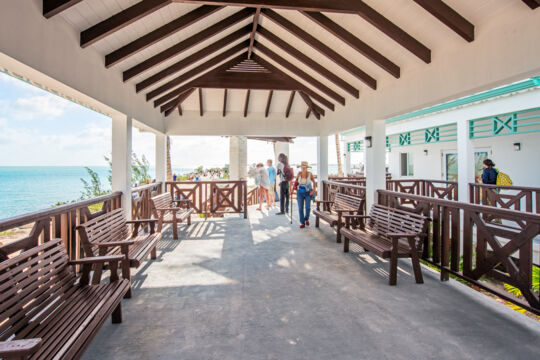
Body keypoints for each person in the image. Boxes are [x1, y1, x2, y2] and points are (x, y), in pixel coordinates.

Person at [294, 161, 316, 228]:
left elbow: (314, 183)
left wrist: (313, 191)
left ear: (306, 168)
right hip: (300, 192)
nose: (303, 168)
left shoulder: (310, 174)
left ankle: (306, 218)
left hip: (308, 192)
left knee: (308, 207)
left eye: (304, 167)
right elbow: (296, 182)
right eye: (302, 167)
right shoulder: (299, 173)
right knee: (300, 208)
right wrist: (293, 188)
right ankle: (302, 222)